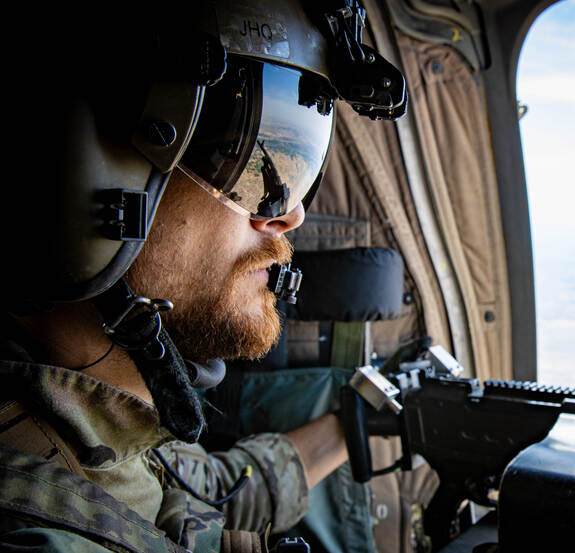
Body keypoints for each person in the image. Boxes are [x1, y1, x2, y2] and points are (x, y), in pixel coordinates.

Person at [0, 1, 406, 551]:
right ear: (82, 168)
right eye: (246, 151)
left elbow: (211, 494)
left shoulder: (123, 417)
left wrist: (355, 423)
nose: (291, 215)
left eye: (298, 164)